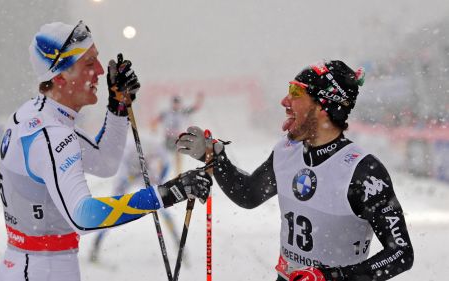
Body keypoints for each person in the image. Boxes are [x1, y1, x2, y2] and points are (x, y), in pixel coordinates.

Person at [0, 21, 212, 281]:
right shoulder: (51, 134)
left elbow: (105, 162)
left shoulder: (38, 116)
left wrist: (118, 107)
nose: (100, 71)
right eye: (89, 64)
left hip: (34, 264)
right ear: (60, 75)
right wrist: (165, 194)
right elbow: (84, 216)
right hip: (43, 270)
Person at [176, 61, 414, 281]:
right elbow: (249, 195)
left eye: (296, 93)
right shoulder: (287, 151)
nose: (285, 101)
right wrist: (216, 158)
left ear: (323, 106)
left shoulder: (363, 172)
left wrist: (331, 277)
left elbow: (401, 253)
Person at [89, 137, 180, 263]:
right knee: (113, 209)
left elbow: (166, 167)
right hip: (128, 175)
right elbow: (123, 163)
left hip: (148, 175)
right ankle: (96, 246)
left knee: (163, 208)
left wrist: (159, 182)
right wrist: (129, 176)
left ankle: (180, 246)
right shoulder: (135, 145)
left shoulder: (161, 150)